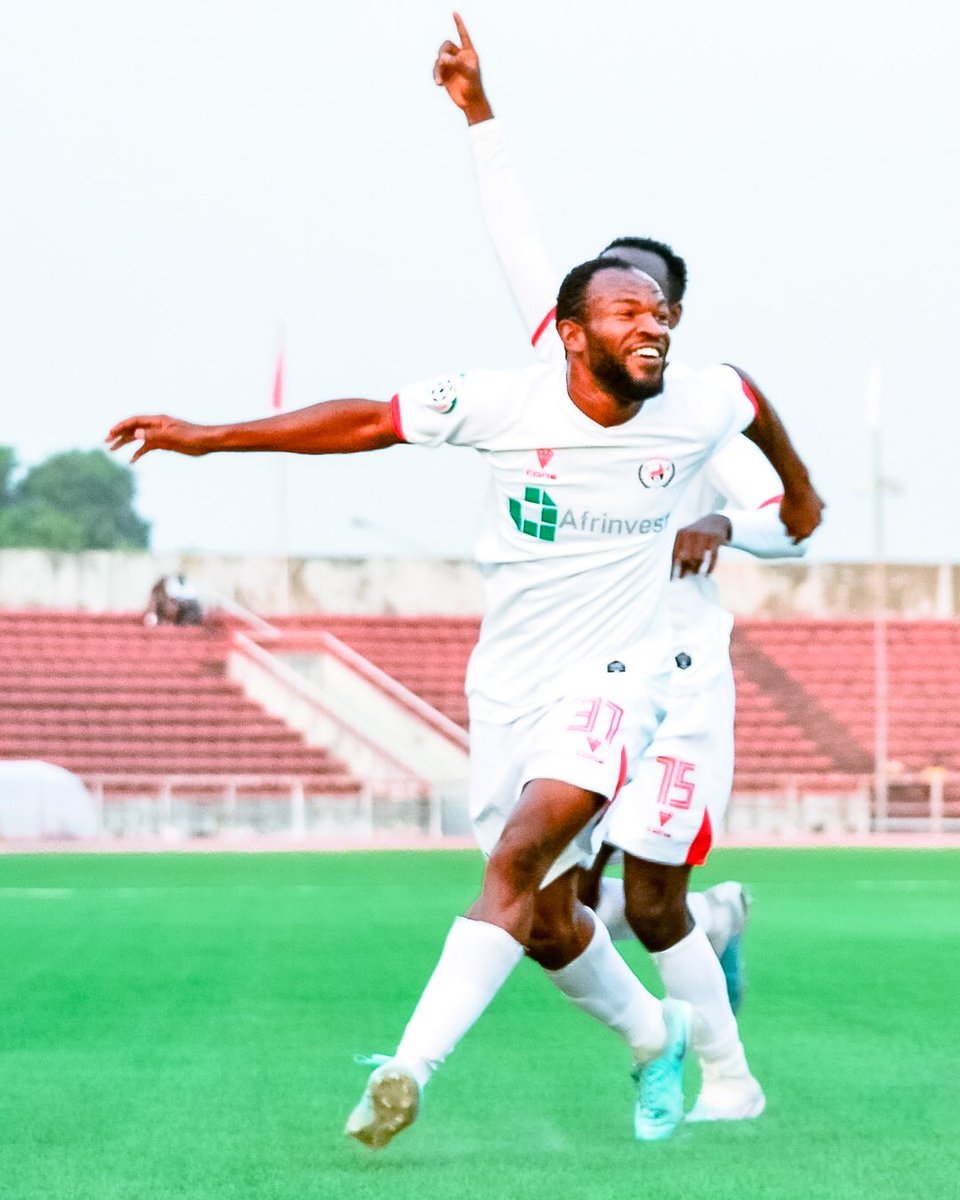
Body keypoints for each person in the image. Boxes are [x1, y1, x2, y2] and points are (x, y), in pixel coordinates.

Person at [107, 258, 821, 1148]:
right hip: (508, 690)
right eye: (629, 313)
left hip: (617, 682)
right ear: (571, 334)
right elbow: (371, 419)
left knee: (515, 865)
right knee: (549, 924)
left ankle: (407, 1070)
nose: (654, 327)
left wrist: (797, 488)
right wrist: (207, 437)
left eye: (663, 314)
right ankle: (653, 1033)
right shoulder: (503, 404)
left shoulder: (696, 403)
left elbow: (747, 392)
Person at [433, 12, 823, 1122]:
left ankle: (731, 1080)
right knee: (570, 907)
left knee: (650, 900)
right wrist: (478, 116)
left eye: (652, 300)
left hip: (677, 682)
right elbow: (516, 239)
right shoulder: (562, 373)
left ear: (673, 314)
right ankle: (680, 994)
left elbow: (790, 522)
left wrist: (725, 529)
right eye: (613, 297)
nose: (635, 314)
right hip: (572, 682)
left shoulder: (693, 413)